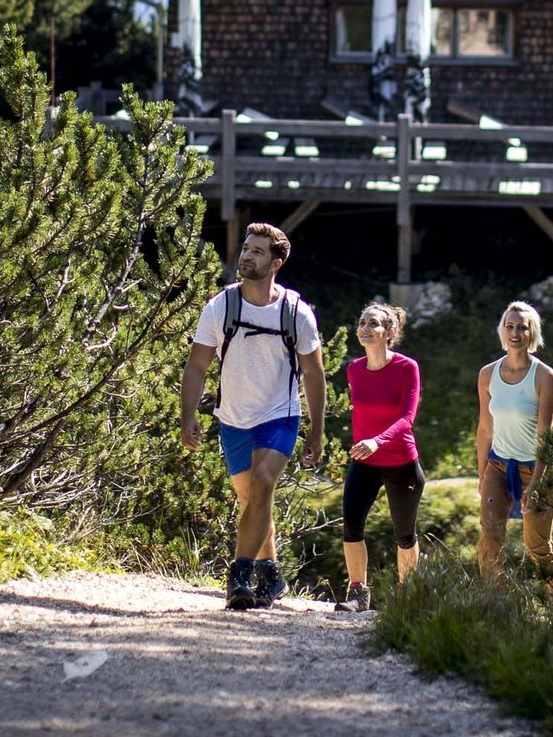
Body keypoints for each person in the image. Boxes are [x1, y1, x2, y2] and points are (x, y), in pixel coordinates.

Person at [181, 223, 325, 610]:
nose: (247, 256)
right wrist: (188, 415)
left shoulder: (296, 312)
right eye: (246, 249)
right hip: (233, 418)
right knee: (251, 500)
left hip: (281, 414)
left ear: (276, 263)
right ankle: (272, 572)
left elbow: (313, 372)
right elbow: (196, 366)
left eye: (257, 252)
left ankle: (239, 574)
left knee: (263, 483)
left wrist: (316, 430)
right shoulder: (221, 306)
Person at [335, 302, 426, 613]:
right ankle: (358, 592)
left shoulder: (406, 368)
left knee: (405, 534)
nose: (364, 327)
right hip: (365, 463)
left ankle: (407, 594)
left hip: (401, 463)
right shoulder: (354, 370)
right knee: (351, 526)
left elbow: (407, 418)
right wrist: (367, 445)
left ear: (389, 332)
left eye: (372, 323)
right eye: (362, 321)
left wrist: (377, 441)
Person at [475, 301, 553, 581]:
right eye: (510, 326)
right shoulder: (487, 374)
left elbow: (545, 437)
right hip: (498, 467)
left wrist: (537, 483)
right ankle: (494, 609)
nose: (515, 332)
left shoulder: (544, 376)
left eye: (522, 328)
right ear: (503, 330)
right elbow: (484, 429)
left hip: (536, 470)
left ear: (532, 333)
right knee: (490, 539)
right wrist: (482, 474)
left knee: (537, 546)